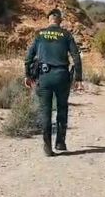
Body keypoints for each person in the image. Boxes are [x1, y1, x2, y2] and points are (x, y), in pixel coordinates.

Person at [24, 8, 84, 157]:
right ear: (60, 20)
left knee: (46, 111)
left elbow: (29, 57)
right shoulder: (66, 35)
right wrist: (78, 78)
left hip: (44, 76)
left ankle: (47, 146)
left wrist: (27, 75)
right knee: (62, 108)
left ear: (49, 19)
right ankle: (60, 142)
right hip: (62, 76)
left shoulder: (40, 35)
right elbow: (76, 56)